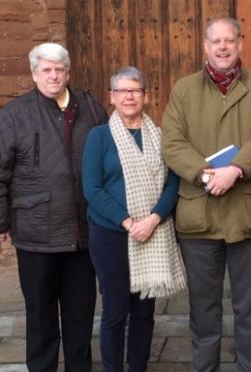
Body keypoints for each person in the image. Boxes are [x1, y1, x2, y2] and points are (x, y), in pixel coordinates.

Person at [161, 16, 251, 372]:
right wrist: (203, 174)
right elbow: (172, 141)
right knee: (203, 308)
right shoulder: (183, 90)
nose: (223, 47)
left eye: (230, 41)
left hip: (248, 215)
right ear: (205, 46)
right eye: (216, 41)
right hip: (200, 216)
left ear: (241, 44)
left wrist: (236, 170)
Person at [0, 43, 108, 371]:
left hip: (82, 232)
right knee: (40, 316)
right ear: (34, 74)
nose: (53, 76)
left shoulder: (91, 110)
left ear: (68, 72)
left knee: (80, 317)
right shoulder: (14, 115)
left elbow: (108, 161)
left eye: (59, 69)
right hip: (36, 232)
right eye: (46, 70)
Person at [82, 66, 186, 372]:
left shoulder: (161, 136)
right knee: (115, 311)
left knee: (144, 312)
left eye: (135, 90)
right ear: (112, 97)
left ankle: (138, 367)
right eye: (122, 91)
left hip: (153, 232)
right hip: (111, 234)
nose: (129, 96)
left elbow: (173, 182)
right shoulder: (99, 137)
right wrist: (129, 222)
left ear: (146, 96)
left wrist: (152, 220)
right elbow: (92, 188)